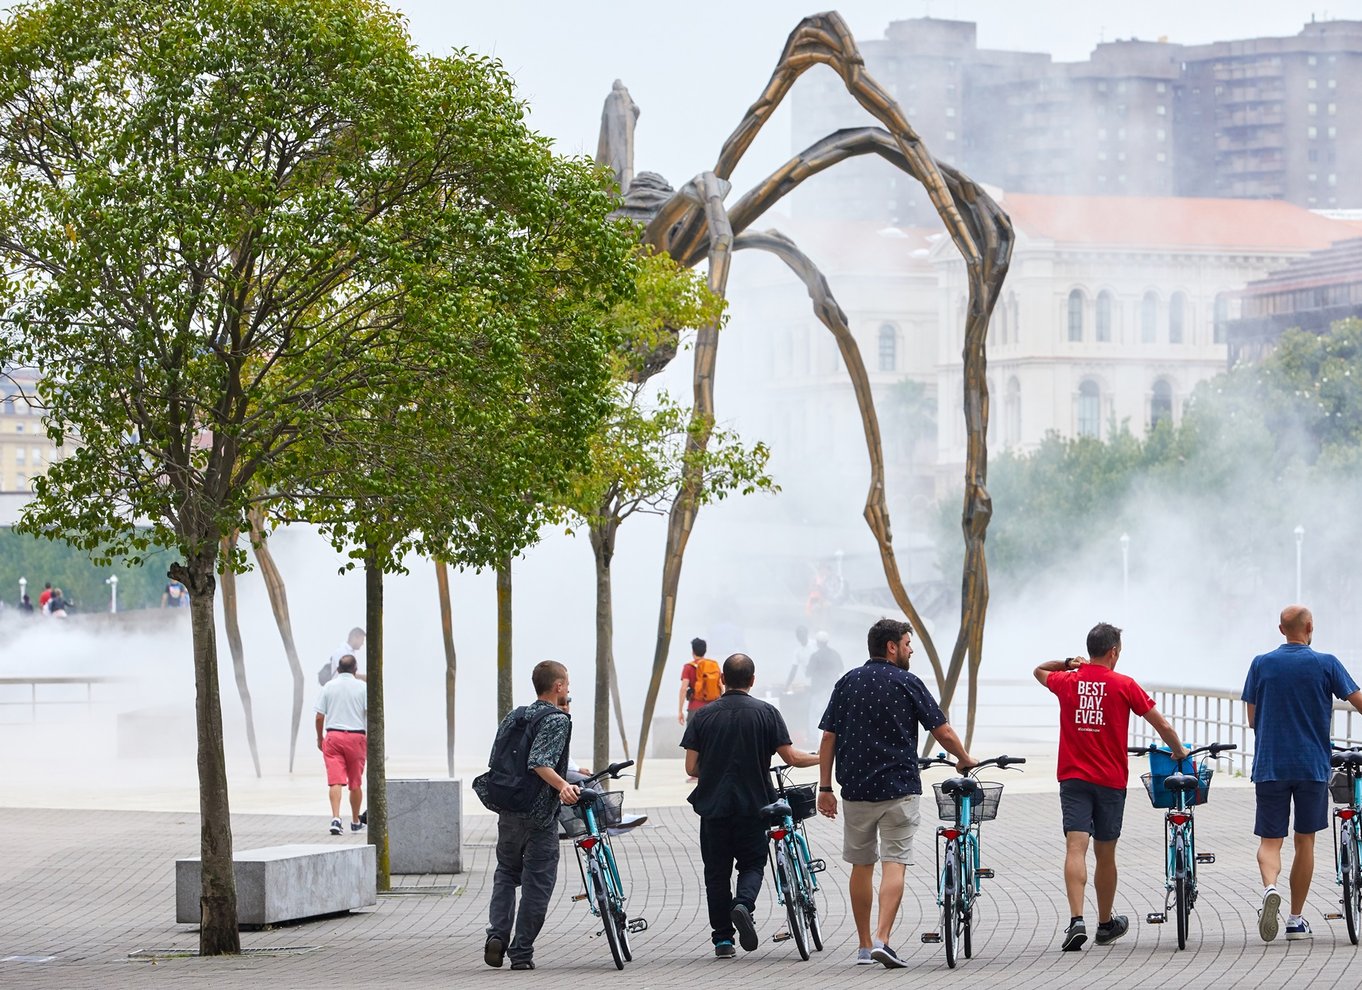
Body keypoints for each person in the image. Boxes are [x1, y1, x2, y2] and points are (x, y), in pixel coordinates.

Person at [817, 617, 976, 968]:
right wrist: (964, 758)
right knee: (895, 863)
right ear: (892, 647)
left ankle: (862, 947)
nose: (911, 650)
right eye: (907, 644)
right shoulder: (907, 682)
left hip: (856, 790)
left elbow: (828, 738)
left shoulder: (846, 682)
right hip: (899, 789)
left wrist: (825, 787)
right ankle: (882, 938)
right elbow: (943, 730)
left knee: (861, 866)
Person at [1033, 622, 1187, 952]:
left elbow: (1039, 670)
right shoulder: (1124, 684)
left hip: (1073, 778)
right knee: (1105, 854)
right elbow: (1160, 723)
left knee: (1075, 847)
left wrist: (1068, 663)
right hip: (1110, 781)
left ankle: (1076, 920)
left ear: (1089, 650)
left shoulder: (1067, 681)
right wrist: (1179, 750)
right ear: (1113, 652)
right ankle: (1105, 924)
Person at [681, 653, 819, 958]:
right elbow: (792, 758)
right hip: (754, 805)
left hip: (713, 807)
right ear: (752, 680)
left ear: (721, 680)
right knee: (753, 864)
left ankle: (723, 941)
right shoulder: (766, 712)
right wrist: (824, 756)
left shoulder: (703, 716)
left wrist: (716, 767)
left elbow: (691, 767)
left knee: (716, 874)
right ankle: (743, 904)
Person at [1242, 604, 1362, 942]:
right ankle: (1295, 919)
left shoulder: (1261, 663)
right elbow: (1358, 701)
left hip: (1270, 764)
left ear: (1281, 630)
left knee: (1270, 841)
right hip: (1311, 765)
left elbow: (1252, 719)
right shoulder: (1326, 663)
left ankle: (1269, 889)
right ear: (1310, 626)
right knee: (1304, 841)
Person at [483, 660, 578, 972]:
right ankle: (521, 953)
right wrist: (564, 786)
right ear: (559, 686)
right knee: (537, 883)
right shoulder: (557, 720)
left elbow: (497, 758)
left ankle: (497, 934)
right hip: (539, 815)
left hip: (507, 809)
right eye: (567, 683)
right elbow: (539, 761)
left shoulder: (516, 714)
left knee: (506, 874)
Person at [314, 653, 367, 836]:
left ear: (337, 669)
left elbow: (320, 716)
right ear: (355, 669)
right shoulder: (363, 688)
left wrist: (320, 738)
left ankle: (336, 818)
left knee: (335, 781)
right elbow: (369, 713)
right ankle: (355, 821)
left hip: (333, 737)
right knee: (355, 783)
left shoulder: (329, 687)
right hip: (356, 738)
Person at [805, 630, 843, 742]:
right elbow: (840, 668)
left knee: (814, 715)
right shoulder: (835, 654)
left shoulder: (815, 656)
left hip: (818, 690)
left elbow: (808, 672)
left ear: (817, 642)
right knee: (831, 715)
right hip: (831, 689)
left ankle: (814, 741)